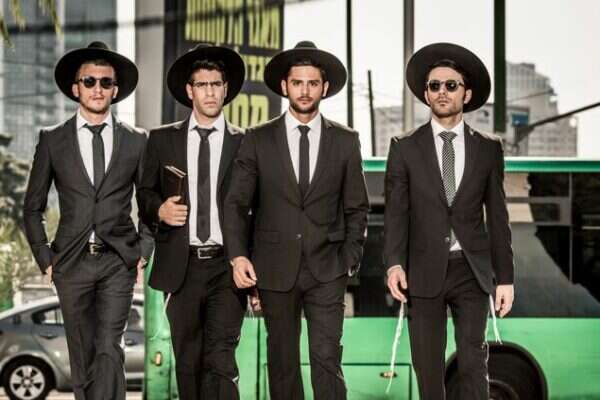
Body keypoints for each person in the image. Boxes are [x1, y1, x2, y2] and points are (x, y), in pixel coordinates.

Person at [224, 41, 369, 400]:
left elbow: (357, 207)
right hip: (274, 268)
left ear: (324, 87)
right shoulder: (257, 139)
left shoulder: (346, 141)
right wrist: (239, 256)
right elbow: (236, 203)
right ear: (284, 86)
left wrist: (349, 259)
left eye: (312, 83)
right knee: (282, 361)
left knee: (327, 358)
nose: (305, 90)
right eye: (298, 82)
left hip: (328, 268)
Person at [384, 42, 515, 400]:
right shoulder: (403, 147)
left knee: (473, 361)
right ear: (427, 94)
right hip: (422, 270)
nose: (442, 91)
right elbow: (395, 214)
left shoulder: (488, 148)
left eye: (451, 85)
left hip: (471, 270)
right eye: (434, 85)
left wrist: (505, 278)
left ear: (466, 94)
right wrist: (394, 264)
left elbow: (498, 217)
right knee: (427, 365)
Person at [23, 41, 153, 400]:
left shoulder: (137, 140)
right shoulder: (53, 140)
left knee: (110, 347)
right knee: (82, 354)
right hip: (70, 262)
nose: (98, 88)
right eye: (90, 81)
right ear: (75, 88)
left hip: (117, 261)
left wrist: (143, 250)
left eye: (105, 82)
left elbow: (149, 202)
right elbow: (32, 207)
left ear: (115, 89)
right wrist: (45, 258)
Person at [137, 43, 248, 400]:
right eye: (202, 85)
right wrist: (159, 210)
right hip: (180, 267)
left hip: (226, 265)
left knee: (222, 358)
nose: (210, 92)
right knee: (188, 361)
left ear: (225, 89)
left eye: (216, 84)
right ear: (190, 91)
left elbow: (258, 207)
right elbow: (144, 193)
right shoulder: (161, 139)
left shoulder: (246, 142)